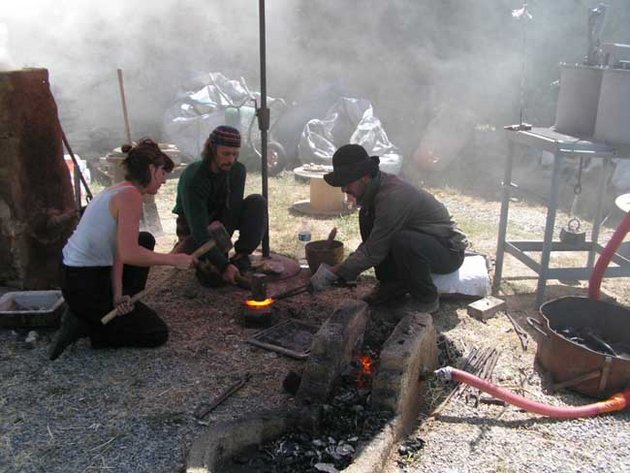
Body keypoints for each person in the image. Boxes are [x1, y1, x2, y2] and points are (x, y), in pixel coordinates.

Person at [49, 138, 196, 360]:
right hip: (82, 282)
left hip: (78, 274)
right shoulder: (130, 197)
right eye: (163, 173)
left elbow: (120, 249)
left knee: (143, 239)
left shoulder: (120, 190)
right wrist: (173, 260)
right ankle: (88, 325)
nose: (164, 181)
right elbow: (129, 254)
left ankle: (103, 311)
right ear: (151, 169)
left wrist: (119, 294)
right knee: (156, 334)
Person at [309, 144, 468, 313]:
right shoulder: (375, 194)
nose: (344, 190)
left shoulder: (394, 196)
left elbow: (374, 250)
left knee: (404, 241)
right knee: (367, 216)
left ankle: (426, 300)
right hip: (421, 243)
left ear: (365, 177)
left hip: (447, 251)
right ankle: (391, 285)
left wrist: (336, 272)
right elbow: (374, 243)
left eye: (347, 183)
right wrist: (343, 271)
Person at [172, 125, 266, 287]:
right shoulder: (194, 178)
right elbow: (198, 228)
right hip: (196, 227)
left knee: (257, 202)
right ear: (212, 149)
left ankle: (240, 257)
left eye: (235, 154)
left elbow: (233, 210)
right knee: (213, 281)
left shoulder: (237, 170)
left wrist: (225, 257)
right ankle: (196, 256)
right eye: (225, 154)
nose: (231, 159)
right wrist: (222, 265)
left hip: (221, 223)